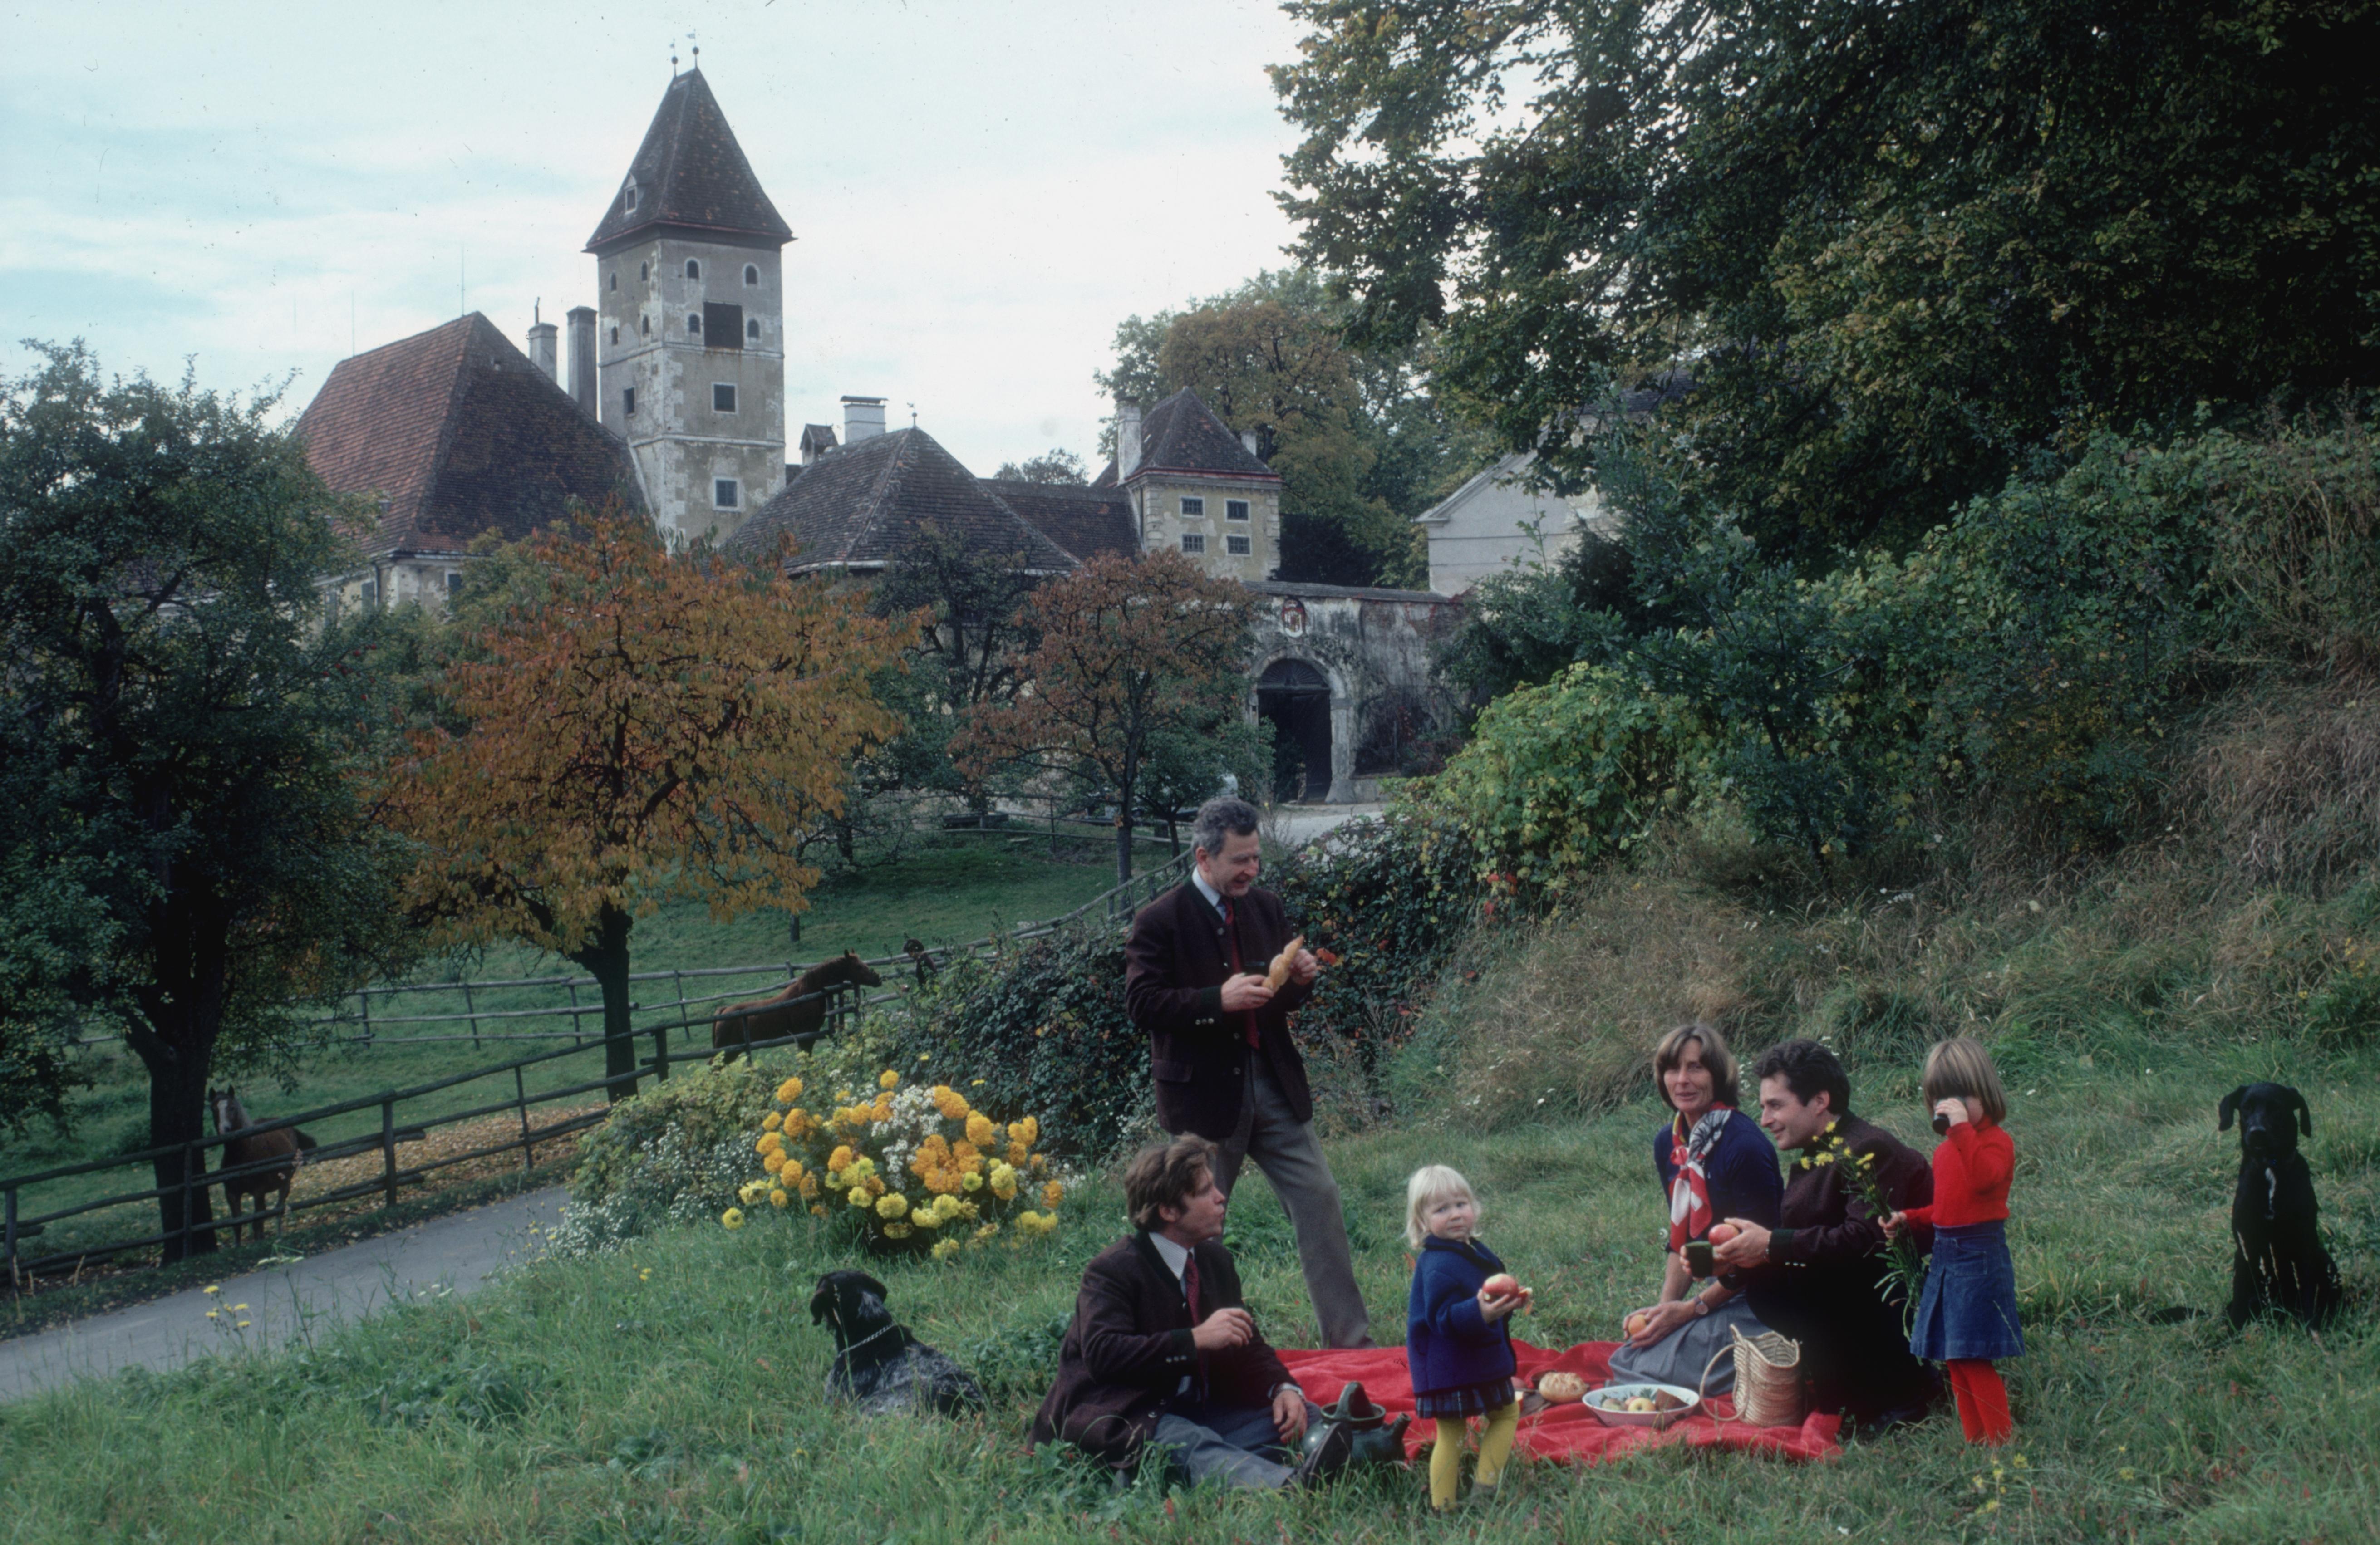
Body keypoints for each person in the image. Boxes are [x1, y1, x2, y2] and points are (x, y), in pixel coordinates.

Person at [1123, 796, 1372, 1348]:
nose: (1251, 871)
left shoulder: (1266, 908)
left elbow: (1274, 1003)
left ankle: (1351, 1345)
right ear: (1204, 857)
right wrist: (1216, 999)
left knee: (1321, 1198)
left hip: (1275, 1086)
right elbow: (1141, 1004)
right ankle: (1193, 1346)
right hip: (1204, 1103)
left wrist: (1300, 981)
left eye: (1256, 858)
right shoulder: (1158, 920)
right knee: (1195, 1225)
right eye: (1240, 860)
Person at [1030, 1136, 1333, 1489]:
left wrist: (1282, 1388)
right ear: (1169, 1210)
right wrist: (1194, 1340)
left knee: (1305, 1415)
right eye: (1205, 1191)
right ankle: (1289, 1487)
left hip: (1201, 1412)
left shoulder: (1214, 1261)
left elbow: (1248, 1343)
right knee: (1187, 1441)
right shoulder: (1112, 1270)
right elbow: (1103, 1354)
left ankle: (1355, 1454)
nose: (1220, 1197)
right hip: (1130, 1417)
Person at [1711, 1037, 1938, 1428]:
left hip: (1888, 1300)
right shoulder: (1820, 1150)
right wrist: (1732, 1262)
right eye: (1764, 1107)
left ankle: (1904, 1389)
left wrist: (1770, 1244)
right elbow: (1801, 1241)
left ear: (1819, 1101)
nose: (1765, 1119)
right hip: (1848, 1292)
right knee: (1769, 1285)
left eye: (1776, 1105)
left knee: (1794, 1279)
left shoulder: (1870, 1148)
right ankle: (1848, 1386)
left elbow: (1866, 1241)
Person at [1608, 1022, 1782, 1393]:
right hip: (1722, 1291)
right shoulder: (1669, 1144)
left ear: (1718, 1075)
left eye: (1696, 1067)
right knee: (1635, 1353)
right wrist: (1663, 1313)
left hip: (1764, 1297)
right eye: (1673, 1068)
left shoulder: (1744, 1147)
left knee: (1633, 1367)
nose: (1682, 1080)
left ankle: (1782, 1362)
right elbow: (1682, 1241)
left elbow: (1763, 1258)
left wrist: (1691, 1310)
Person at [1884, 1037, 2022, 1445]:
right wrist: (1909, 1218)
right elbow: (1946, 1210)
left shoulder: (1996, 1142)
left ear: (1987, 1093)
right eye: (1941, 1098)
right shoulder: (1946, 1152)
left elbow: (1984, 1180)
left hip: (1979, 1256)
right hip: (1948, 1256)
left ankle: (2000, 1441)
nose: (1950, 1107)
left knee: (1972, 1354)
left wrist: (1963, 1129)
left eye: (1961, 1096)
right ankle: (1975, 1440)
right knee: (1953, 1356)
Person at [1404, 1166, 1524, 1511]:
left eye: (1461, 1203)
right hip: (1452, 1366)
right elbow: (1441, 1318)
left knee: (1492, 1418)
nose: (1455, 1214)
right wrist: (1482, 1312)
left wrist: (1506, 1303)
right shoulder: (1438, 1262)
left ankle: (1471, 1495)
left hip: (1472, 1361)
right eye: (1441, 1209)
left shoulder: (1469, 1249)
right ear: (1423, 1220)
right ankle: (1452, 1502)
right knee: (1459, 1432)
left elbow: (1484, 1296)